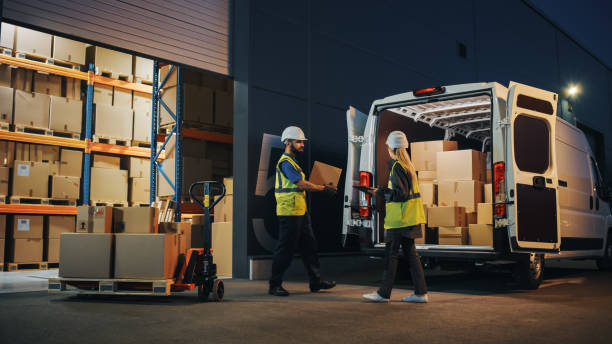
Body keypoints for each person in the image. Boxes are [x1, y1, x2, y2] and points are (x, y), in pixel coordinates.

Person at [269, 126, 338, 297]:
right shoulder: (285, 163)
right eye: (298, 141)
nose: (302, 145)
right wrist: (323, 188)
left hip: (300, 211)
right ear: (287, 142)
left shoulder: (293, 162)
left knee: (310, 248)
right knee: (285, 250)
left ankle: (315, 282)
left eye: (302, 142)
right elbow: (301, 184)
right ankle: (274, 285)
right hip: (289, 212)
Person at [362, 131, 429, 303]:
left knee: (391, 256)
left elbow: (400, 194)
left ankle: (383, 294)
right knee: (412, 256)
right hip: (410, 219)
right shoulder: (409, 167)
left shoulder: (397, 166)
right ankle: (421, 293)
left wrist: (380, 192)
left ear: (391, 148)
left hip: (399, 220)